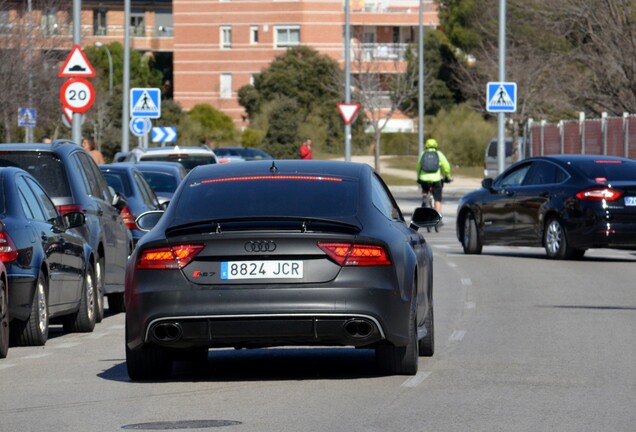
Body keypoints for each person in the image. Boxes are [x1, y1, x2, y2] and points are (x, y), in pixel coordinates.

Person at [416, 138, 452, 220]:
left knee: (425, 190)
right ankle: (438, 218)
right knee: (437, 199)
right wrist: (447, 176)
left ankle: (425, 197)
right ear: (436, 145)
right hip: (436, 179)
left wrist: (418, 177)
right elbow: (446, 166)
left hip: (424, 179)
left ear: (426, 146)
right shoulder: (439, 154)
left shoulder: (423, 154)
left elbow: (418, 167)